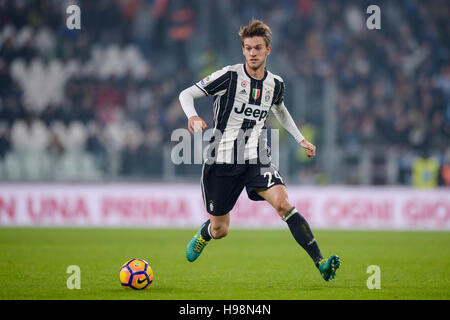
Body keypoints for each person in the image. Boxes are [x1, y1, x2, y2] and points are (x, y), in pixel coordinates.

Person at [178, 19, 340, 281]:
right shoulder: (229, 76)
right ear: (243, 50)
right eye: (248, 48)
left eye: (258, 48)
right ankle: (205, 233)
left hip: (257, 158)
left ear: (268, 50)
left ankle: (320, 262)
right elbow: (186, 94)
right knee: (221, 229)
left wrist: (300, 138)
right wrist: (192, 116)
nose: (253, 53)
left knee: (284, 204)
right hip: (221, 161)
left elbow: (280, 109)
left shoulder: (275, 84)